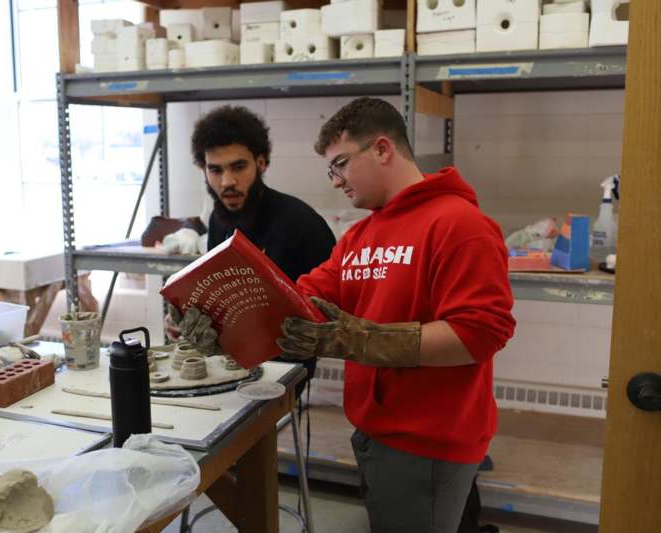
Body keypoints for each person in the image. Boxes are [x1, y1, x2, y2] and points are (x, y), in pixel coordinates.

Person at [276, 97, 516, 532]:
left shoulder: (460, 224)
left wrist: (363, 341)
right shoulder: (360, 236)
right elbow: (308, 296)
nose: (336, 182)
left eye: (341, 164)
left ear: (383, 149)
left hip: (429, 441)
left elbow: (479, 333)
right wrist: (231, 309)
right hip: (375, 432)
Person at [166, 105, 336, 387]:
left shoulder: (301, 223)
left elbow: (327, 317)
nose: (227, 182)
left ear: (262, 162)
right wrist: (189, 319)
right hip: (232, 358)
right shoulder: (219, 220)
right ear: (203, 169)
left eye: (239, 166)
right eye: (215, 170)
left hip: (285, 365)